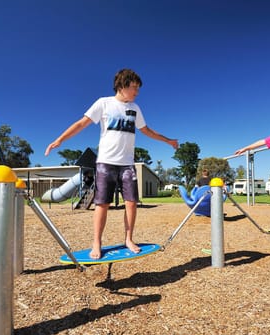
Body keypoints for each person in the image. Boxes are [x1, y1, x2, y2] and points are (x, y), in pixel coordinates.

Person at [45, 69, 178, 259]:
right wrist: (60, 140)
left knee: (131, 203)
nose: (137, 92)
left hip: (127, 164)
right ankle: (97, 243)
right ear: (122, 86)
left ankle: (128, 239)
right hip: (106, 163)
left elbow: (147, 130)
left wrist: (168, 141)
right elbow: (82, 123)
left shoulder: (135, 108)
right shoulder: (103, 103)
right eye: (134, 88)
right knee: (102, 204)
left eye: (138, 89)